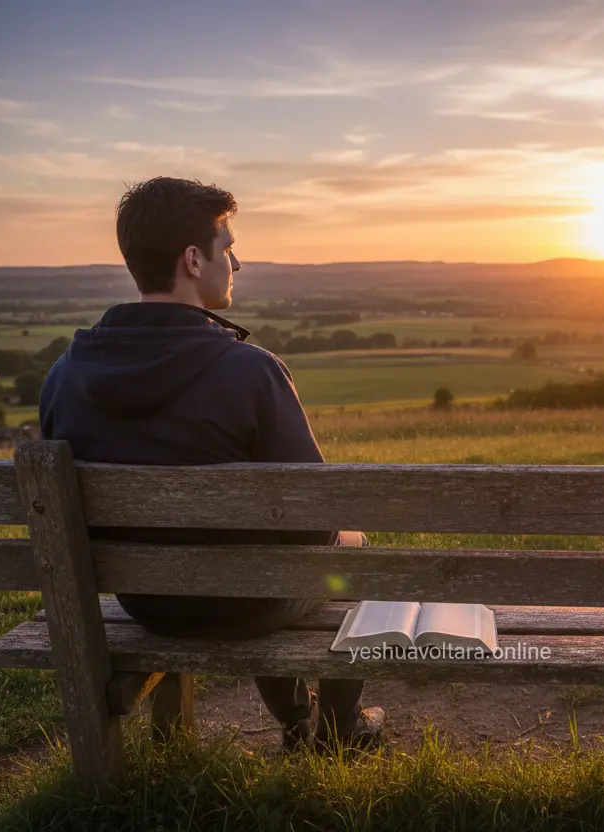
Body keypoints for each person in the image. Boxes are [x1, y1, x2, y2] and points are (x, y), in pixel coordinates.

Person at [38, 176, 384, 751]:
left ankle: (300, 722)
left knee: (272, 559)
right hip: (246, 603)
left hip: (145, 602)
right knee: (351, 548)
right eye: (228, 247)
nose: (237, 262)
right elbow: (312, 526)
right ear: (194, 260)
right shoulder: (250, 371)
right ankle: (338, 732)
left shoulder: (64, 375)